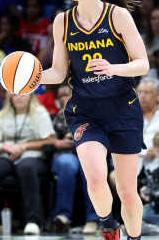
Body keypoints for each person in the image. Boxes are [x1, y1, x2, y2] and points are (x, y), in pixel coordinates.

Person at [39, 0, 149, 240]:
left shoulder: (117, 16)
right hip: (85, 111)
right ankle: (108, 225)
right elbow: (60, 71)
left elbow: (142, 64)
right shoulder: (62, 21)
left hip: (122, 109)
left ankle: (134, 237)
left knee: (126, 191)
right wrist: (33, 78)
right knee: (97, 177)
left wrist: (114, 68)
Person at [0, 93, 55, 235]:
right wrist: (6, 147)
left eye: (23, 95)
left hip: (32, 155)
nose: (19, 98)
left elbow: (50, 140)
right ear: (10, 98)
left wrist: (24, 146)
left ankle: (33, 221)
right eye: (15, 95)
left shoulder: (40, 113)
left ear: (30, 97)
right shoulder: (2, 115)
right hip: (7, 155)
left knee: (26, 168)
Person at [49, 84, 98, 235]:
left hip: (86, 153)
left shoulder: (90, 115)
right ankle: (63, 216)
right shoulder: (54, 118)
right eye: (61, 96)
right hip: (63, 154)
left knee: (88, 166)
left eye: (67, 95)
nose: (65, 99)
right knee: (67, 165)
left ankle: (93, 219)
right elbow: (45, 142)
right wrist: (58, 142)